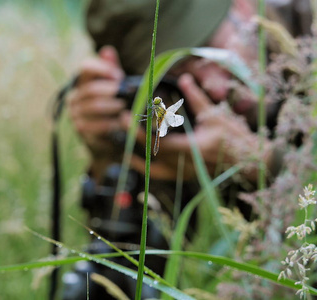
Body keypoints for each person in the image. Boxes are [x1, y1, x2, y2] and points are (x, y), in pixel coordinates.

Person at [59, 0, 312, 299]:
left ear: (243, 6)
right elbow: (136, 269)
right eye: (175, 74)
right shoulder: (175, 114)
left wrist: (261, 162)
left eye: (208, 52)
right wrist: (115, 153)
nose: (215, 87)